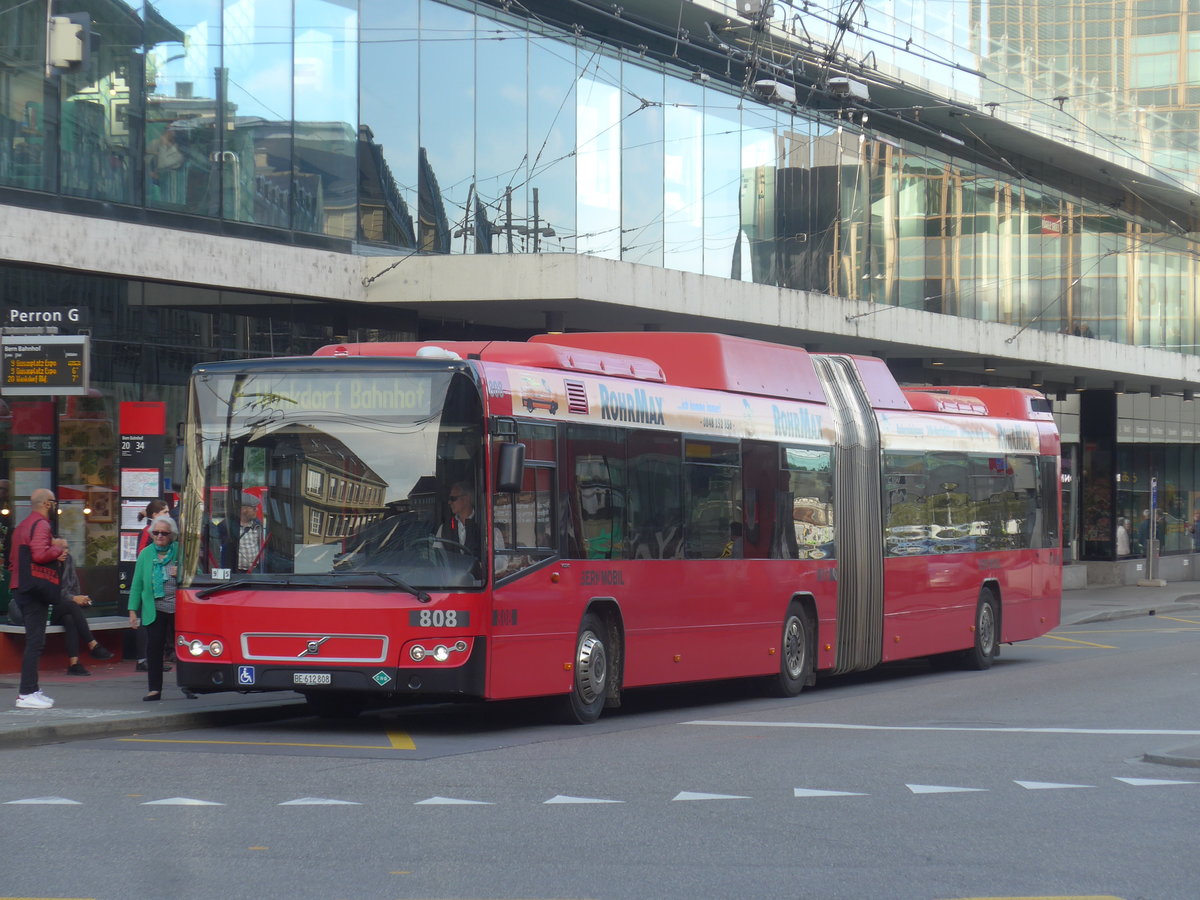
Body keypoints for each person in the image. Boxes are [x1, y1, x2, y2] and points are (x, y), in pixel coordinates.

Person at [9, 488, 68, 709]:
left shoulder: (22, 526)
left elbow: (15, 559)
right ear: (46, 503)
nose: (55, 507)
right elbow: (40, 554)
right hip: (34, 590)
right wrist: (58, 548)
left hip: (20, 587)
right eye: (54, 503)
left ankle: (32, 689)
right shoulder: (42, 525)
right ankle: (26, 693)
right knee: (35, 642)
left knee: (34, 640)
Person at [128, 515, 180, 701]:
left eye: (163, 533)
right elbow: (137, 584)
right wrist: (133, 610)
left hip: (179, 609)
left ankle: (188, 685)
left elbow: (195, 575)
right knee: (154, 649)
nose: (159, 536)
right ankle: (154, 689)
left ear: (171, 535)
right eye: (156, 533)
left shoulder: (179, 552)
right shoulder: (146, 554)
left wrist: (180, 572)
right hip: (155, 608)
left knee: (183, 649)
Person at [54, 550, 114, 676]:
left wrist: (80, 598)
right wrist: (73, 598)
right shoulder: (47, 563)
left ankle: (74, 664)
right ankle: (93, 644)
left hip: (67, 607)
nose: (65, 551)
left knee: (70, 619)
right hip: (49, 608)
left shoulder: (69, 560)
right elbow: (50, 591)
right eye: (61, 548)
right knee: (72, 605)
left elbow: (74, 586)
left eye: (66, 547)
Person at [133, 498, 172, 671]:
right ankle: (143, 659)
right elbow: (141, 553)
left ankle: (155, 658)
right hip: (149, 581)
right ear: (155, 515)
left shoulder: (163, 532)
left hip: (159, 582)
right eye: (165, 512)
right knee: (147, 621)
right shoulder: (148, 531)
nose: (168, 515)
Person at [236, 492, 265, 572]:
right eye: (254, 508)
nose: (257, 510)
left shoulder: (257, 526)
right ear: (243, 510)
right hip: (236, 572)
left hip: (254, 570)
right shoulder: (230, 527)